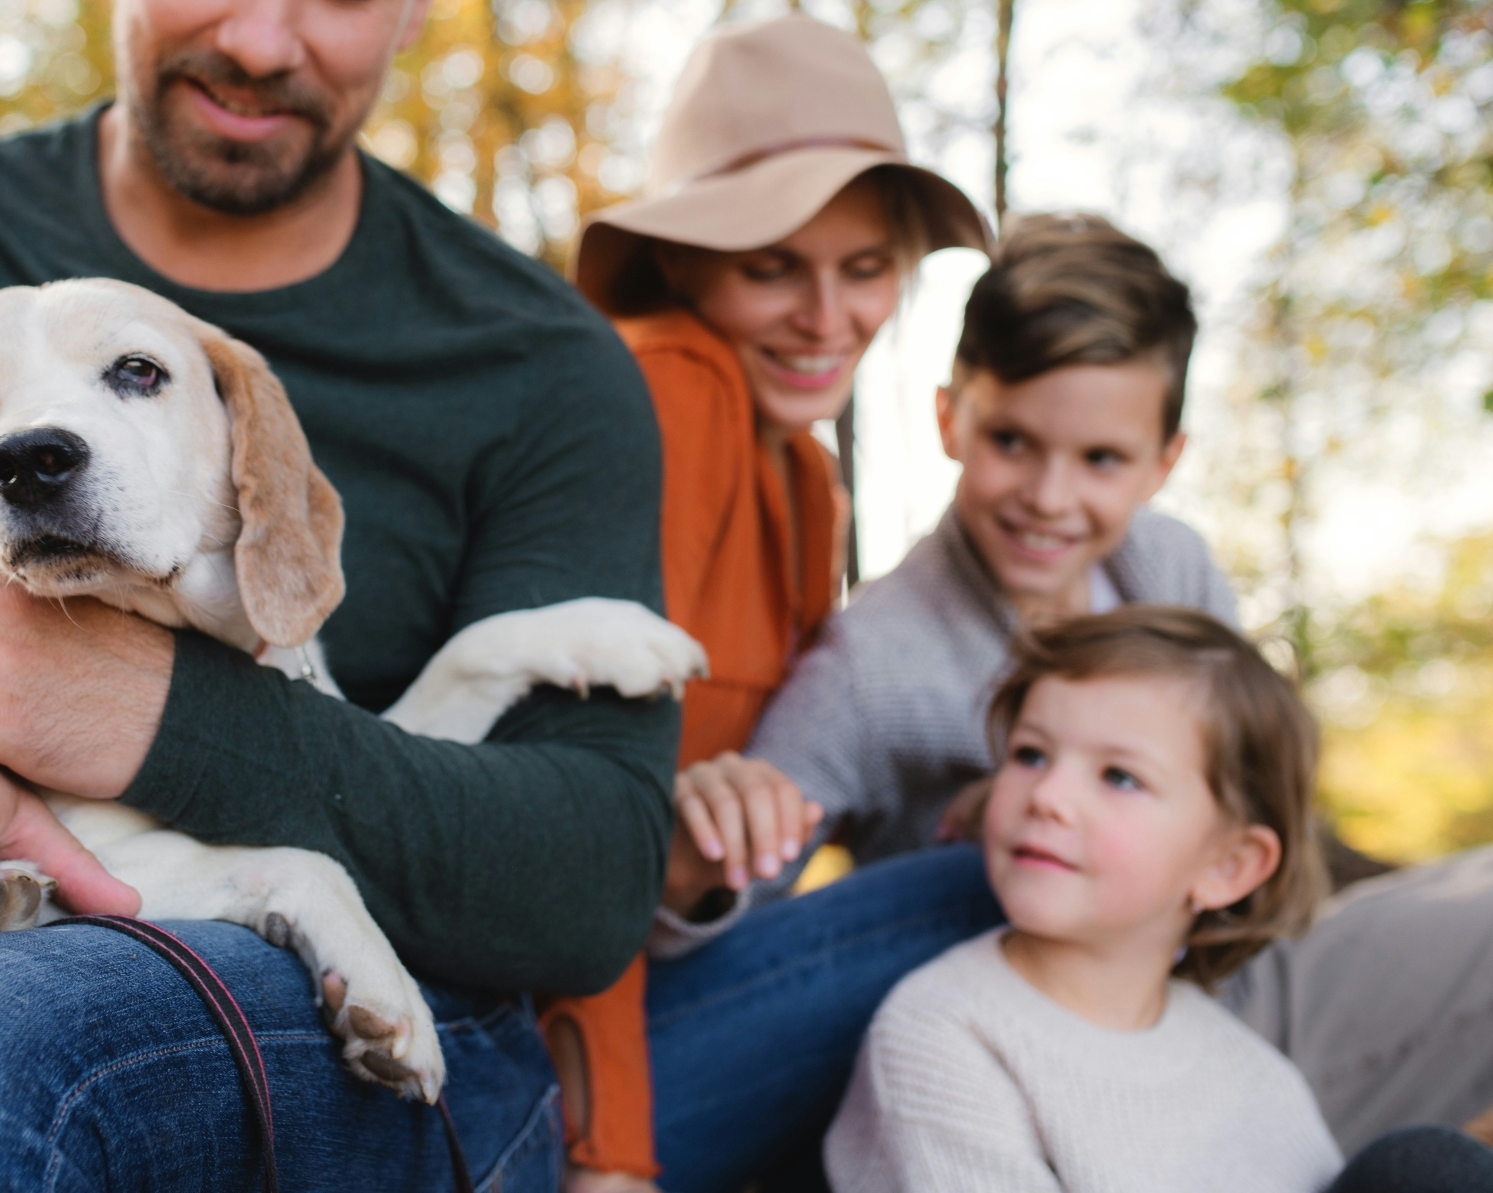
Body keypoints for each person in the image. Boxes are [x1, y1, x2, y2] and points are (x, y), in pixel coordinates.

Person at [0, 1, 1001, 1187]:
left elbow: (584, 885)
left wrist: (149, 718)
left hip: (409, 1003)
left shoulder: (551, 360)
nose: (261, 38)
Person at [720, 214, 1493, 1151]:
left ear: (1164, 461)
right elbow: (737, 933)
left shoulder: (1173, 571)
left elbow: (1251, 819)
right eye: (1012, 440)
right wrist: (718, 841)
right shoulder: (873, 664)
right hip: (1063, 1046)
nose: (1048, 496)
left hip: (1223, 982)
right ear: (948, 417)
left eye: (1100, 459)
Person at [550, 16, 994, 1190]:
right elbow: (564, 821)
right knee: (1005, 876)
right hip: (549, 1045)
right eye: (771, 266)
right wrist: (612, 1160)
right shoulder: (670, 388)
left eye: (865, 269)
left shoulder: (804, 479)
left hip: (682, 974)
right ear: (685, 262)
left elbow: (766, 801)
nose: (827, 317)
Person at [826, 606, 1493, 1193]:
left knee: (1428, 1168)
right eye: (1031, 754)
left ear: (1228, 866)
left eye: (1118, 775)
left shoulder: (1253, 1074)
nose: (1048, 795)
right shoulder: (943, 1034)